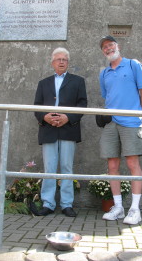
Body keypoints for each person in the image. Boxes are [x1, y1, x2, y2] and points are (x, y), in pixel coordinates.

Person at [99, 35, 142, 224]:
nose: (108, 48)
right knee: (112, 166)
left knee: (132, 164)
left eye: (110, 44)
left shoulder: (133, 65)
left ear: (117, 46)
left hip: (131, 122)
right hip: (111, 123)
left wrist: (140, 116)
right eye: (104, 47)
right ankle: (118, 207)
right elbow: (108, 97)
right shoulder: (103, 73)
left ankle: (135, 209)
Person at [32, 47, 87, 217]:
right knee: (49, 168)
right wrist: (45, 117)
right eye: (58, 59)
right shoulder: (43, 83)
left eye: (64, 59)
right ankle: (48, 203)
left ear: (68, 62)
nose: (62, 62)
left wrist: (68, 117)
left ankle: (66, 204)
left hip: (68, 129)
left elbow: (82, 105)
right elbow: (36, 106)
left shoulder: (78, 81)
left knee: (66, 167)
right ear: (52, 63)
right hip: (48, 129)